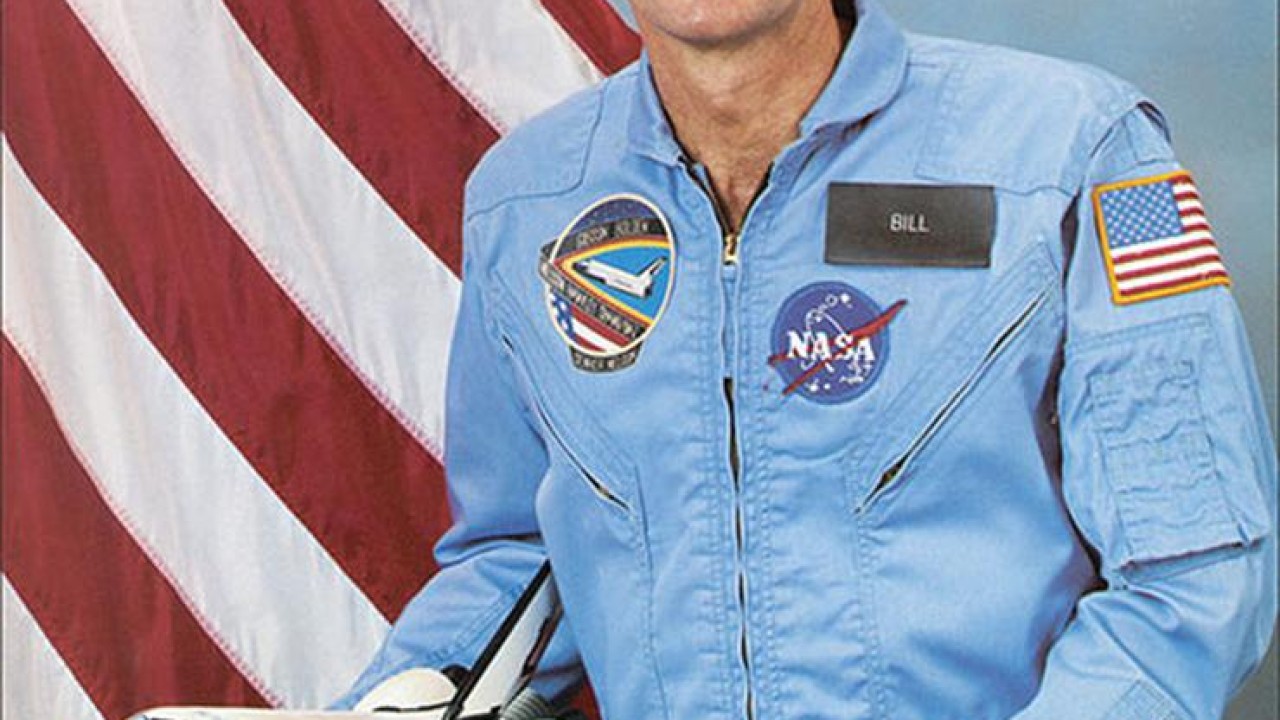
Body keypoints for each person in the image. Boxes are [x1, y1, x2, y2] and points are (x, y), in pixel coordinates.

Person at [336, 0, 1277, 717]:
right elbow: (522, 552)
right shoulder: (529, 200)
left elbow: (1194, 572)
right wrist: (392, 701)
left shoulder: (1078, 150)